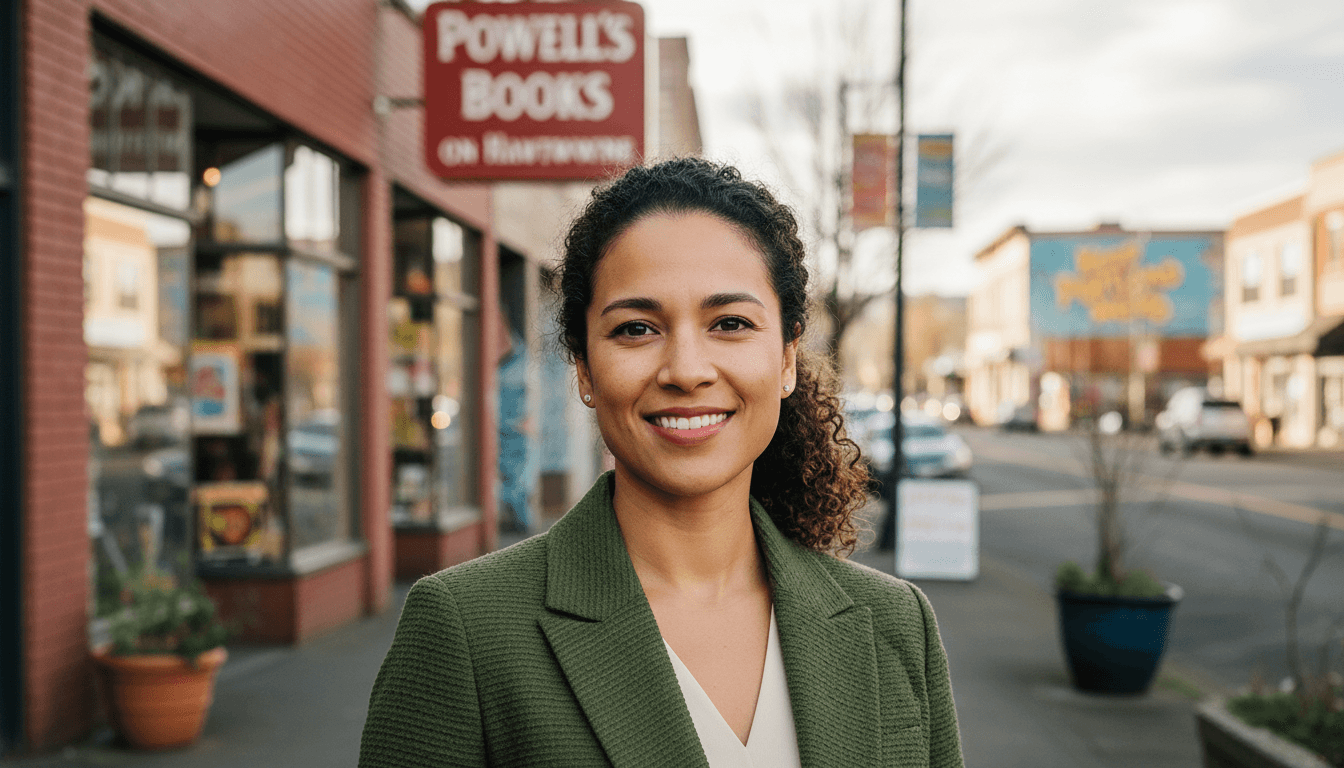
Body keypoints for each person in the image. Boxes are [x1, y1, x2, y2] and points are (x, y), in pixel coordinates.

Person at [359, 158, 963, 768]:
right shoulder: (466, 631)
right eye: (636, 329)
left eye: (730, 323)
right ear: (585, 370)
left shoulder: (895, 625)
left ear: (786, 359)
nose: (686, 370)